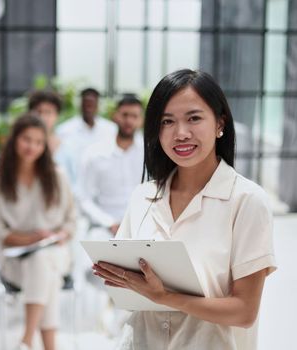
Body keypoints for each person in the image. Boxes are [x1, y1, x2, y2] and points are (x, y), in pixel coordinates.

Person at [92, 69, 277, 350]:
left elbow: (244, 312)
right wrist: (123, 280)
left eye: (194, 118)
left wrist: (165, 297)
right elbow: (131, 289)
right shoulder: (143, 196)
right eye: (167, 121)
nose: (180, 133)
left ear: (219, 124)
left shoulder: (247, 201)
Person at [0, 114, 76, 350]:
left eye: (39, 142)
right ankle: (44, 345)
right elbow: (0, 232)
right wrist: (32, 238)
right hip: (14, 260)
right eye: (27, 139)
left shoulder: (57, 177)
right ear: (15, 140)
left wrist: (58, 236)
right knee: (43, 266)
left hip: (56, 252)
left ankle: (26, 340)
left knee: (43, 260)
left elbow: (71, 222)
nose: (32, 147)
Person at [77, 95, 144, 236]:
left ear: (141, 120)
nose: (129, 121)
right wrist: (109, 222)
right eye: (124, 115)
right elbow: (84, 198)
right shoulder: (94, 153)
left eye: (134, 116)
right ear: (115, 116)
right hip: (104, 227)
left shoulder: (150, 153)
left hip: (142, 225)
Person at [55, 87, 117, 185]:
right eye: (86, 104)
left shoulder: (111, 130)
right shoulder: (64, 130)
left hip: (103, 184)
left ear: (97, 105)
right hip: (73, 183)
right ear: (80, 105)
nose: (89, 108)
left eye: (92, 104)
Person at [28, 90, 63, 155]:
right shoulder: (22, 146)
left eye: (48, 112)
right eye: (38, 112)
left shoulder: (66, 148)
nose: (42, 117)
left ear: (57, 116)